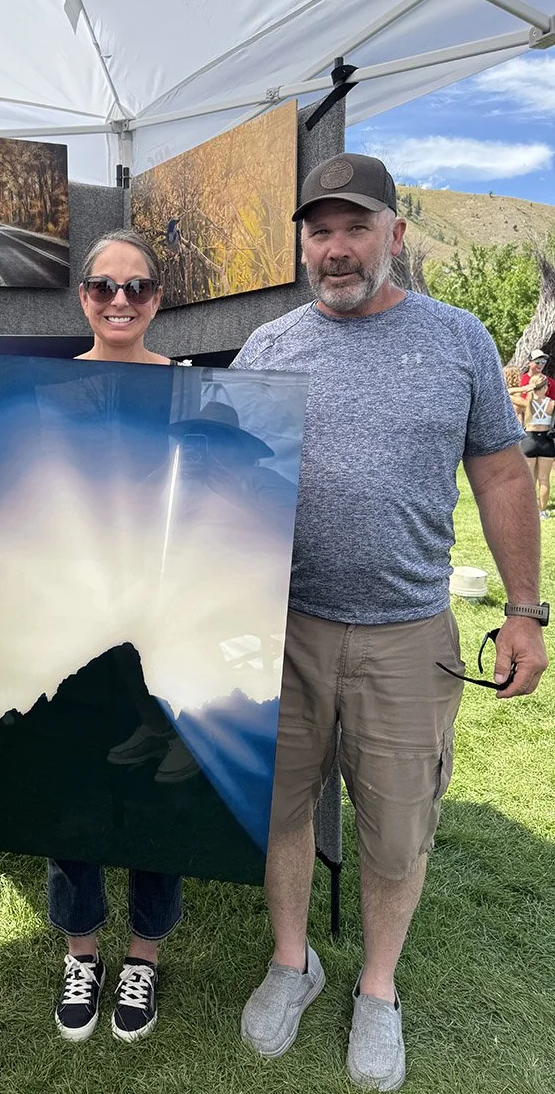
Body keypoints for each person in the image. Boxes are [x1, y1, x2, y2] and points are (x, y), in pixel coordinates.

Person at [232, 153, 548, 1091]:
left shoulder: (457, 341)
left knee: (396, 827)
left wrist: (524, 611)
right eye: (319, 231)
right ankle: (293, 962)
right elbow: (223, 486)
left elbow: (500, 474)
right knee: (285, 807)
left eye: (355, 227)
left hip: (409, 634)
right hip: (281, 627)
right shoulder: (268, 348)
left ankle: (377, 988)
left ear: (396, 235)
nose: (336, 249)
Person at [50, 229, 183, 1045]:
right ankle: (82, 949)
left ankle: (142, 957)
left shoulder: (191, 389)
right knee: (74, 779)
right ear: (84, 298)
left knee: (160, 789)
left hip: (165, 616)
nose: (120, 301)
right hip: (73, 617)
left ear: (158, 299)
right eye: (104, 287)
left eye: (137, 288)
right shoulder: (46, 391)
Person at [517, 372, 555, 518]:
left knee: (530, 479)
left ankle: (528, 511)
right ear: (545, 387)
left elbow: (507, 392)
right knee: (544, 479)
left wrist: (524, 389)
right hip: (546, 441)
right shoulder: (552, 404)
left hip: (529, 440)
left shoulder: (527, 402)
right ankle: (542, 511)